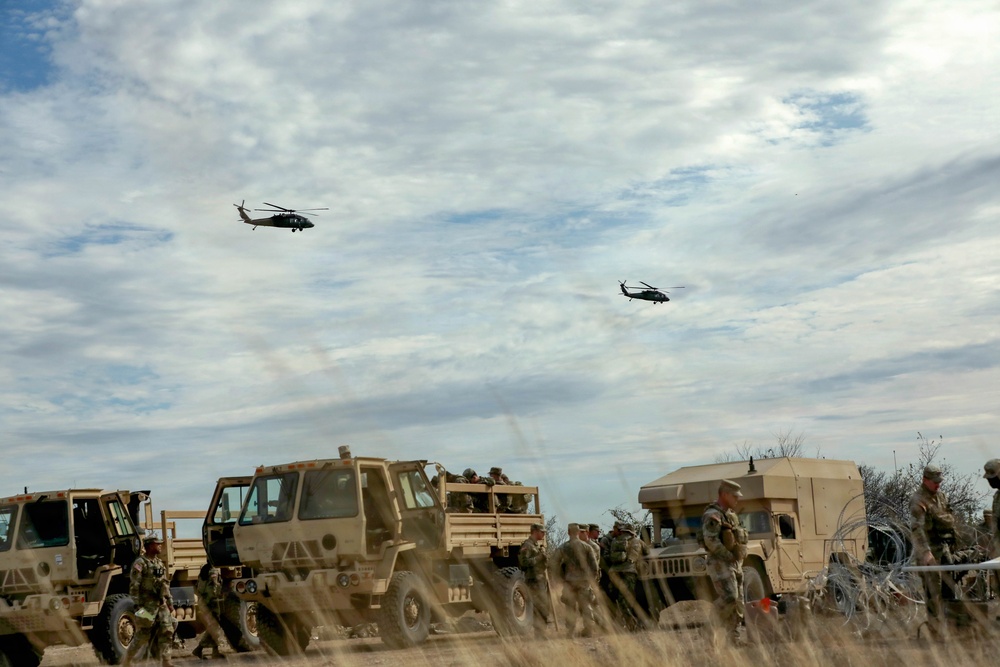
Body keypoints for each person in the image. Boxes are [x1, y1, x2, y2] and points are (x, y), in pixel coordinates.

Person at [909, 464, 957, 638]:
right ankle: (936, 633)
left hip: (944, 548)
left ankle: (953, 629)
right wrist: (926, 553)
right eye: (934, 482)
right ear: (925, 480)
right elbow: (917, 529)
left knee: (949, 589)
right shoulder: (918, 499)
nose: (938, 485)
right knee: (933, 594)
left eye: (939, 481)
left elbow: (951, 519)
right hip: (930, 552)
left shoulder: (941, 497)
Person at [701, 479, 747, 642]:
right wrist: (729, 556)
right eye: (734, 496)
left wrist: (740, 553)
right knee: (730, 597)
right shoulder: (712, 515)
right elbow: (711, 540)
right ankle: (708, 627)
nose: (737, 499)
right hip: (720, 562)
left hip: (735, 563)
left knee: (738, 601)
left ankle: (733, 637)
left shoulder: (731, 515)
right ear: (724, 494)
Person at [123, 535, 177, 667]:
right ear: (149, 546)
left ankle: (166, 661)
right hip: (145, 607)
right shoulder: (140, 563)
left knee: (167, 630)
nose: (160, 546)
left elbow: (165, 585)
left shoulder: (159, 563)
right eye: (157, 544)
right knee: (143, 634)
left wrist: (170, 603)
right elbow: (134, 585)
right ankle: (127, 661)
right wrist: (136, 606)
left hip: (161, 605)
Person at [552, 523, 599, 637]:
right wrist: (591, 578)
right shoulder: (587, 547)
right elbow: (594, 566)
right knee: (586, 605)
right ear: (578, 532)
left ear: (568, 532)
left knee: (570, 607)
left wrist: (561, 577)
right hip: (584, 581)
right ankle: (588, 629)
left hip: (569, 581)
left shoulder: (563, 547)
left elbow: (554, 563)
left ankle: (570, 631)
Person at [606, 523, 644, 630]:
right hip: (629, 572)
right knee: (628, 598)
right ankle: (631, 624)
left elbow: (608, 556)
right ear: (631, 532)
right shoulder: (637, 541)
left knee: (618, 598)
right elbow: (647, 551)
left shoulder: (614, 541)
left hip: (614, 573)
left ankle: (617, 623)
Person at [517, 523, 553, 635]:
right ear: (535, 531)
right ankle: (539, 633)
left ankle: (542, 631)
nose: (543, 534)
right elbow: (524, 563)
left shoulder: (537, 546)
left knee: (545, 605)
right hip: (533, 581)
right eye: (542, 532)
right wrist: (539, 557)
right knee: (538, 606)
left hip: (541, 580)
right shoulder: (527, 545)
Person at [192, 564, 225, 660]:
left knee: (214, 626)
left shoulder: (204, 569)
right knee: (214, 626)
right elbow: (213, 587)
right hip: (211, 601)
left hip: (204, 601)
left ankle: (215, 651)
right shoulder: (213, 571)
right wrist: (217, 596)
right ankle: (199, 648)